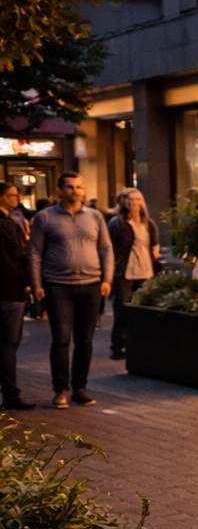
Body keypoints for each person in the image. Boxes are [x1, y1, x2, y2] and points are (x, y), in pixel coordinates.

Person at [28, 172, 112, 409]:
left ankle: (80, 388)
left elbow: (106, 248)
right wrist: (37, 285)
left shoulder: (95, 217)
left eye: (79, 187)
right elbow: (34, 252)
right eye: (69, 187)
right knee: (62, 339)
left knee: (85, 340)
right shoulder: (44, 218)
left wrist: (106, 279)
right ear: (59, 190)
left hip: (91, 285)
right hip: (58, 286)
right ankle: (61, 390)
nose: (75, 191)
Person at [106, 188, 160, 360]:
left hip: (146, 271)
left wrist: (154, 256)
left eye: (138, 200)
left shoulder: (148, 224)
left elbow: (155, 246)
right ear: (124, 203)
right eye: (131, 200)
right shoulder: (117, 223)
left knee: (142, 309)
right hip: (125, 272)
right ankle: (118, 345)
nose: (135, 204)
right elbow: (110, 248)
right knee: (122, 309)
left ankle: (138, 343)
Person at [0, 183, 33, 410]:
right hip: (10, 290)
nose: (17, 199)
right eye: (12, 195)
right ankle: (11, 394)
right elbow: (19, 254)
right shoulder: (7, 225)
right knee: (9, 344)